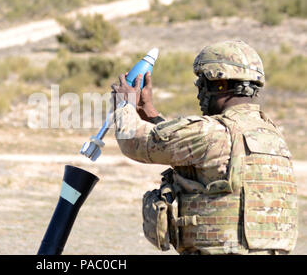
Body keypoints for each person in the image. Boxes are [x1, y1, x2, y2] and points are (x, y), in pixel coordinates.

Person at [111, 40, 298, 255]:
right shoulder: (272, 136)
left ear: (221, 84)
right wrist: (150, 113)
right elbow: (178, 142)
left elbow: (134, 142)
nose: (199, 90)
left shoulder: (212, 132)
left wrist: (124, 104)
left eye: (203, 81)